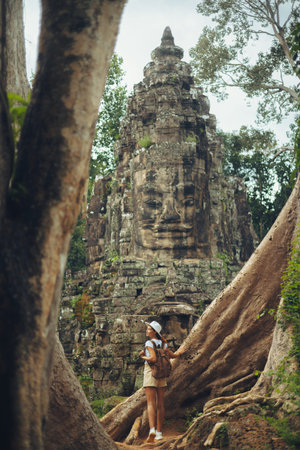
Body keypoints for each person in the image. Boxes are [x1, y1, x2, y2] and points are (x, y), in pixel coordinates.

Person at [140, 320, 185, 443]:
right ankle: (160, 432)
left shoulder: (149, 343)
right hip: (162, 374)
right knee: (160, 403)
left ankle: (152, 429)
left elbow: (153, 359)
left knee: (150, 403)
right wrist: (180, 352)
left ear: (154, 332)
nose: (147, 330)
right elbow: (172, 355)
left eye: (149, 329)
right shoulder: (163, 344)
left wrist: (143, 356)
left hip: (151, 372)